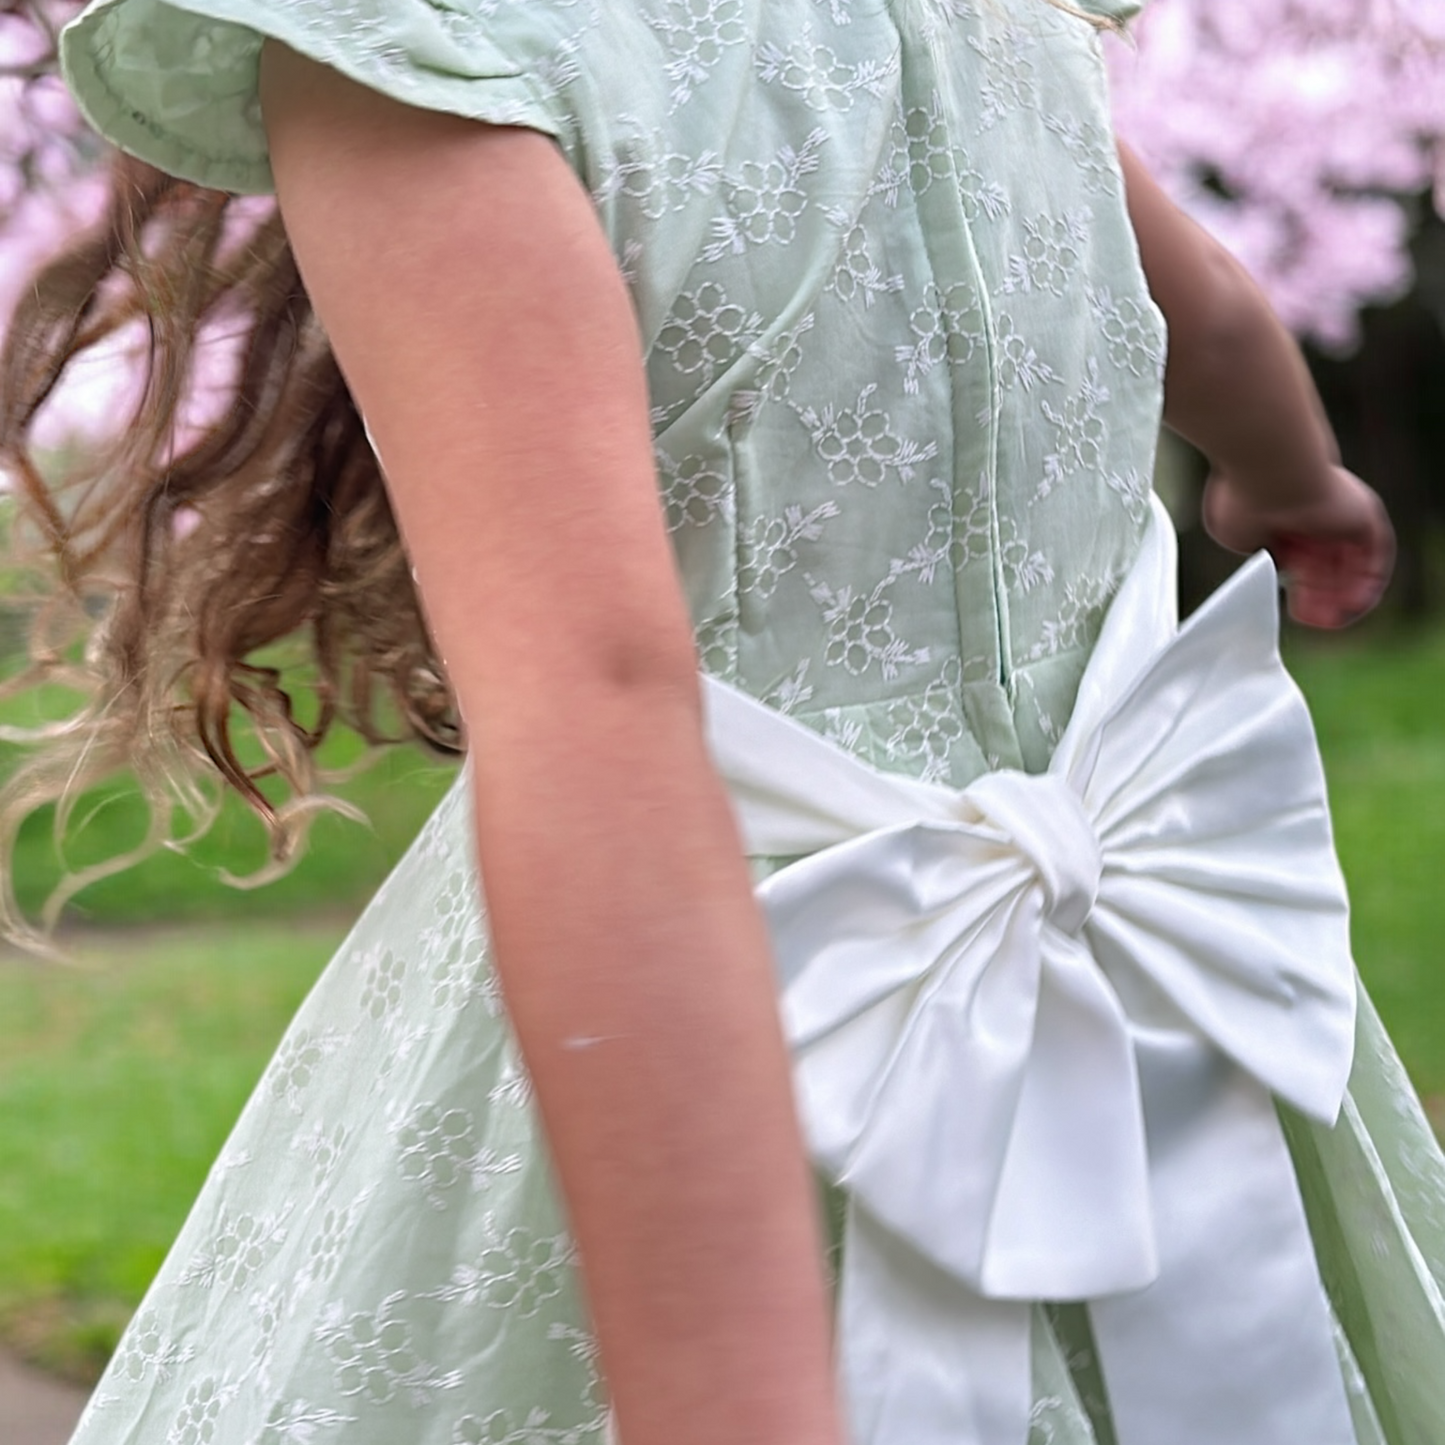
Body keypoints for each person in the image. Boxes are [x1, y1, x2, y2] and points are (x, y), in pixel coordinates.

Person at [0, 0, 1439, 1442]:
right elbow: (1219, 313)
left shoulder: (431, 36)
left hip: (698, 977)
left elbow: (600, 704)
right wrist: (1291, 482)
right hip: (1148, 993)